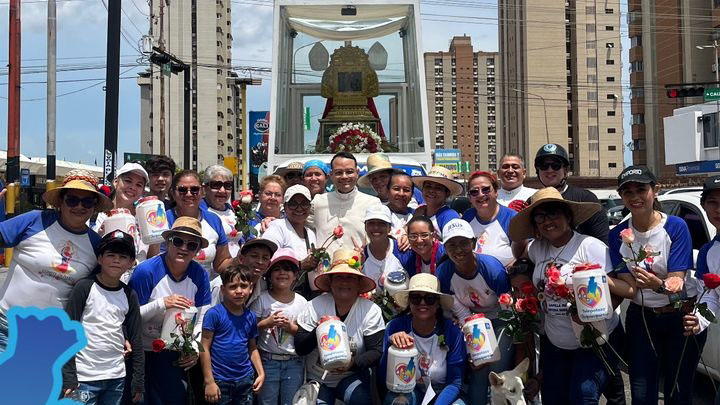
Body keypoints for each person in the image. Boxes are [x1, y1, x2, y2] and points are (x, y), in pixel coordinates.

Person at [508, 187, 626, 405]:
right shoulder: (538, 248)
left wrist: (593, 315)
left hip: (594, 338)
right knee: (554, 398)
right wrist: (519, 275)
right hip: (556, 343)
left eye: (553, 213)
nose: (547, 221)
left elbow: (617, 291)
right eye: (540, 217)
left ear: (568, 217)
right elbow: (522, 259)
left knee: (583, 396)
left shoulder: (589, 247)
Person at [609, 166, 702, 405]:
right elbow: (630, 287)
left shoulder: (675, 227)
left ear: (656, 190)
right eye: (628, 192)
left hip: (679, 315)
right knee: (641, 392)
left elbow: (676, 280)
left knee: (678, 392)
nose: (635, 197)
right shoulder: (618, 234)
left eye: (641, 189)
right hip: (642, 318)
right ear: (621, 197)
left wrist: (657, 284)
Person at [0, 169, 112, 349]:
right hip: (6, 327)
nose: (79, 206)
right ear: (61, 201)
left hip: (50, 336)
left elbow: (99, 293)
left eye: (87, 201)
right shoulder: (35, 220)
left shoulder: (96, 244)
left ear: (94, 207)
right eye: (72, 200)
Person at [129, 216, 211, 404]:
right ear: (168, 242)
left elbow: (200, 319)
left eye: (191, 245)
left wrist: (193, 349)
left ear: (197, 250)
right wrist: (162, 304)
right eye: (178, 241)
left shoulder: (200, 275)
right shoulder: (146, 271)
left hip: (172, 354)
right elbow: (130, 318)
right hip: (141, 352)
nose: (183, 248)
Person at [62, 231, 144, 404]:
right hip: (83, 377)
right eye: (110, 255)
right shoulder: (84, 288)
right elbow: (67, 332)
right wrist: (69, 376)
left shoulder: (129, 295)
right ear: (99, 259)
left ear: (130, 263)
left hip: (116, 377)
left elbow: (136, 338)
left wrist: (137, 382)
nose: (116, 260)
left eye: (123, 256)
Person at [435, 218, 511, 405]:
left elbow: (509, 308)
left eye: (463, 243)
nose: (458, 249)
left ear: (474, 243)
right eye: (452, 244)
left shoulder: (491, 268)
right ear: (445, 248)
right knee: (478, 371)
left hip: (500, 319)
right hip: (470, 322)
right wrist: (470, 331)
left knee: (497, 372)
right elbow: (452, 306)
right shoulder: (444, 272)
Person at [295, 249, 385, 405]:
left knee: (360, 399)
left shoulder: (370, 310)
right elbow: (300, 347)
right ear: (330, 282)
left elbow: (376, 351)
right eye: (339, 277)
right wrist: (318, 331)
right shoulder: (315, 306)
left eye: (350, 277)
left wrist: (352, 363)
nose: (344, 282)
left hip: (351, 375)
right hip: (318, 377)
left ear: (359, 283)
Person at [379, 274, 467, 405]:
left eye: (430, 298)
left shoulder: (452, 331)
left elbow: (455, 382)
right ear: (409, 302)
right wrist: (392, 349)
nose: (422, 303)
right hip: (409, 391)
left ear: (438, 303)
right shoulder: (396, 327)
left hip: (443, 392)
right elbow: (383, 376)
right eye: (415, 298)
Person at [149, 170, 232, 287]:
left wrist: (242, 258)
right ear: (172, 193)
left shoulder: (214, 220)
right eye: (182, 190)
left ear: (202, 191)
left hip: (204, 288)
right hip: (166, 287)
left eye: (194, 189)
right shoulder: (161, 220)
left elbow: (221, 263)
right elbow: (152, 259)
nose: (189, 194)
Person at [249, 248, 308, 405]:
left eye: (288, 269)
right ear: (268, 275)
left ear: (295, 276)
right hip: (267, 361)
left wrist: (291, 328)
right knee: (266, 401)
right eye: (277, 269)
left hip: (294, 362)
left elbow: (305, 334)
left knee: (291, 401)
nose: (282, 273)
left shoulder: (302, 302)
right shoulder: (262, 300)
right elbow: (249, 329)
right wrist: (267, 323)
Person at [200, 265, 264, 405]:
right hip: (220, 380)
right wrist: (209, 381)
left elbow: (252, 347)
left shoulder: (250, 317)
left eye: (244, 286)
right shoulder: (214, 314)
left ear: (251, 288)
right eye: (233, 286)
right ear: (223, 290)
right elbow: (204, 348)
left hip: (245, 379)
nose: (239, 291)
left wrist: (261, 373)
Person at [685, 175, 720, 405]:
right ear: (705, 207)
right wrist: (698, 319)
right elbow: (710, 296)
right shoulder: (709, 251)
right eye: (713, 203)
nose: (719, 209)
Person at [308, 152, 382, 259]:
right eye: (339, 172)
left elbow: (382, 236)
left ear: (357, 172)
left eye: (349, 172)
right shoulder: (318, 202)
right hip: (325, 271)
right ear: (331, 175)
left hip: (359, 269)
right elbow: (300, 229)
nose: (344, 176)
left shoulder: (372, 203)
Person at [534, 143, 609, 244]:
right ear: (537, 171)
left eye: (556, 165)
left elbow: (603, 240)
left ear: (566, 170)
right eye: (544, 166)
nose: (549, 170)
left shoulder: (586, 198)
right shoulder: (532, 202)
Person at [261, 185, 318, 296]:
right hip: (281, 296)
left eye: (304, 204)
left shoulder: (311, 233)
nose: (299, 208)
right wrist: (300, 265)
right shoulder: (277, 227)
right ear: (285, 207)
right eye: (293, 204)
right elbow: (266, 261)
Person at [92, 162, 150, 267]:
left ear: (142, 191)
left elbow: (145, 258)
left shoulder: (143, 220)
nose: (133, 187)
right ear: (115, 182)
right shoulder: (96, 214)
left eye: (139, 185)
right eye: (128, 181)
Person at [462, 171, 519, 268]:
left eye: (486, 189)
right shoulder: (467, 217)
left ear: (496, 192)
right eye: (474, 192)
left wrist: (514, 267)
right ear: (470, 198)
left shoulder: (512, 218)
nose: (480, 195)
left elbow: (526, 251)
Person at [361, 205, 406, 293]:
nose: (376, 227)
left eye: (381, 223)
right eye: (371, 223)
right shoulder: (361, 256)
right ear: (365, 227)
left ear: (389, 228)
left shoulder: (403, 250)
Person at [201, 165, 242, 257]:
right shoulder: (198, 212)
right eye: (216, 185)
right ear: (205, 188)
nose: (222, 190)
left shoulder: (235, 211)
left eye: (227, 186)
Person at [412, 166, 463, 240]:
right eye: (428, 186)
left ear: (447, 193)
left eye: (438, 188)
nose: (431, 191)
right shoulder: (419, 212)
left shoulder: (449, 216)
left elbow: (454, 246)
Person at [240, 238, 279, 306]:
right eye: (254, 256)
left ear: (269, 264)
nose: (260, 262)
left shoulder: (264, 285)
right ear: (241, 259)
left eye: (265, 258)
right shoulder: (223, 283)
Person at [386, 171, 416, 240]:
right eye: (396, 189)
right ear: (388, 191)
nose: (401, 194)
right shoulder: (380, 214)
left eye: (406, 190)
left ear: (412, 194)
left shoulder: (417, 215)